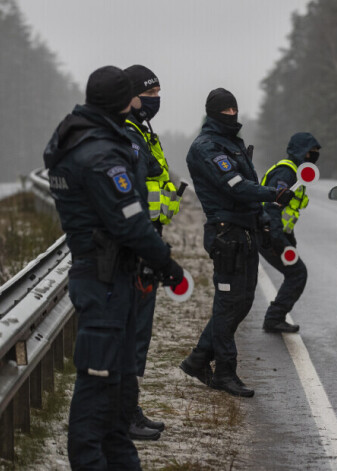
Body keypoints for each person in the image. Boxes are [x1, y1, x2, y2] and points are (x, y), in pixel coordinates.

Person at [43, 65, 184, 470]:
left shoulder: (87, 136)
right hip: (103, 279)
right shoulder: (99, 153)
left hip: (111, 276)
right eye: (134, 97)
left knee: (117, 392)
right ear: (121, 100)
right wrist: (166, 262)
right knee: (97, 388)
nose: (140, 103)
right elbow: (128, 220)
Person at [180, 88, 293, 397]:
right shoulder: (207, 148)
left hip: (243, 234)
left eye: (235, 109)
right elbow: (236, 187)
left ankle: (198, 359)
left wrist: (265, 220)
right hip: (226, 236)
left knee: (241, 302)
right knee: (228, 304)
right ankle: (224, 372)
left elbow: (247, 189)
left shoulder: (232, 144)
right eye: (226, 111)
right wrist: (273, 194)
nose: (233, 115)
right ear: (214, 113)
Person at [123, 64, 181, 440]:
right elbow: (132, 198)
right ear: (130, 96)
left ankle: (131, 408)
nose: (156, 100)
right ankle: (123, 414)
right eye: (150, 94)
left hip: (149, 239)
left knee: (138, 335)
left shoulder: (144, 133)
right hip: (137, 246)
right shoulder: (126, 136)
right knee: (129, 336)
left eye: (159, 93)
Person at [259, 133, 321, 333]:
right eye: (311, 153)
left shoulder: (295, 173)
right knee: (297, 273)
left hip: (273, 233)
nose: (314, 157)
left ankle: (274, 317)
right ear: (302, 152)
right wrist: (279, 241)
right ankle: (273, 318)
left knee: (295, 273)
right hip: (268, 233)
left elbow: (288, 212)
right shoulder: (287, 173)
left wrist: (289, 240)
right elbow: (272, 207)